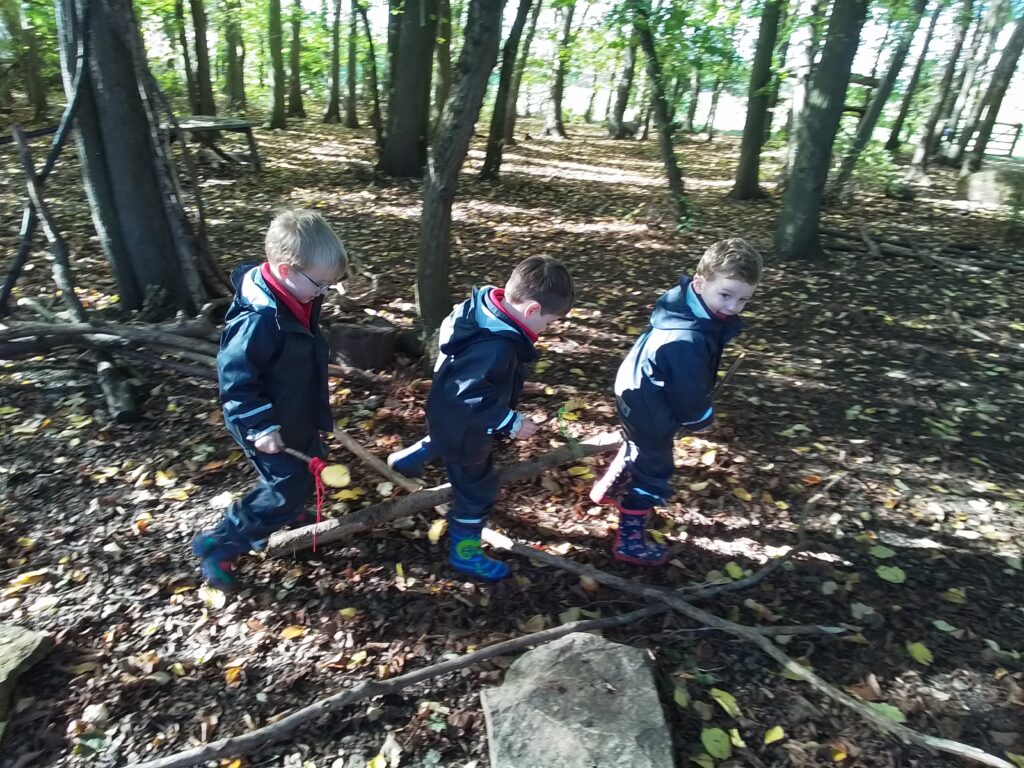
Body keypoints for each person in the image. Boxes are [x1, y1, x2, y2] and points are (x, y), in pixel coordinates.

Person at [388, 256, 576, 581]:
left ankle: (409, 459)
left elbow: (457, 361)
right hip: (465, 424)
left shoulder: (480, 310)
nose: (546, 330)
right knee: (477, 488)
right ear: (531, 310)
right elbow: (471, 396)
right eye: (548, 322)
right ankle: (466, 553)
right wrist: (510, 422)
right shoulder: (497, 348)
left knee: (445, 438)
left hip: (443, 411)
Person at [192, 209, 348, 591]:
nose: (324, 292)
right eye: (320, 283)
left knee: (312, 466)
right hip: (262, 419)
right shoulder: (258, 321)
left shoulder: (298, 295)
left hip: (295, 410)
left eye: (330, 285)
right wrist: (260, 424)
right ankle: (220, 542)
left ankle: (285, 513)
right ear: (284, 270)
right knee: (285, 485)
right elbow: (236, 382)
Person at [590, 238, 763, 566]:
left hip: (635, 388)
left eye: (743, 299)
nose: (732, 307)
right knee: (654, 469)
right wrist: (701, 417)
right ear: (700, 282)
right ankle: (629, 539)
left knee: (638, 444)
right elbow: (686, 391)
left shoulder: (683, 305)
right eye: (725, 295)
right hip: (650, 402)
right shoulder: (687, 337)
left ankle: (607, 491)